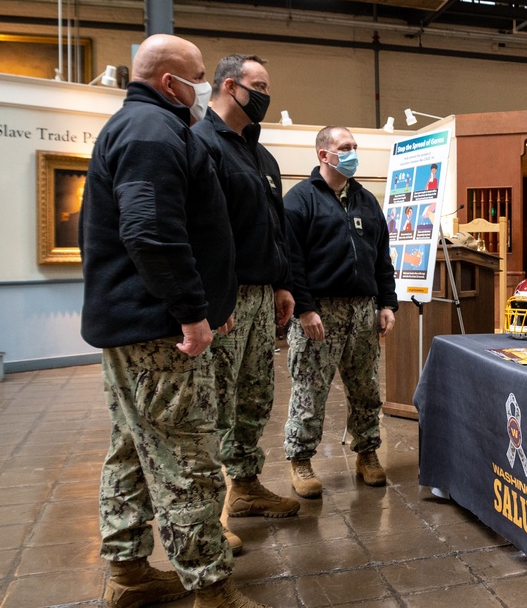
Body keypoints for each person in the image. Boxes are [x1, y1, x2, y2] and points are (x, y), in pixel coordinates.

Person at [79, 33, 269, 608]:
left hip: (138, 326)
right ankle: (212, 590)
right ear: (170, 82)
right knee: (189, 459)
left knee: (134, 450)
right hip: (160, 331)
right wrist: (192, 315)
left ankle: (130, 575)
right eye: (200, 75)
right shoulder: (153, 131)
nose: (205, 85)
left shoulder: (143, 127)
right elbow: (151, 231)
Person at [191, 54, 300, 547]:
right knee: (213, 401)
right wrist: (215, 299)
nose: (265, 95)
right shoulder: (201, 144)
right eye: (259, 85)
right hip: (226, 298)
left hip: (262, 295)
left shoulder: (262, 156)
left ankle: (245, 486)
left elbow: (274, 229)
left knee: (254, 397)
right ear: (230, 86)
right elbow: (202, 230)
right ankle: (207, 509)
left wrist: (281, 282)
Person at [282, 125, 398, 498]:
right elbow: (291, 261)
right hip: (319, 311)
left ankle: (367, 453)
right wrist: (304, 308)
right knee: (310, 391)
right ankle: (300, 461)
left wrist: (386, 303)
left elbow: (381, 257)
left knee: (366, 389)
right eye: (344, 147)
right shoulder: (300, 199)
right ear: (323, 155)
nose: (352, 152)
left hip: (363, 310)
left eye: (354, 146)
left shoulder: (365, 199)